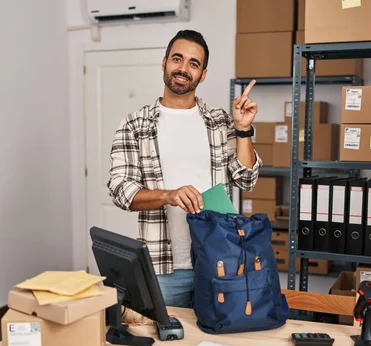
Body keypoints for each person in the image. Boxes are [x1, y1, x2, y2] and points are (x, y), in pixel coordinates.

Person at [107, 30, 262, 308]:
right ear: (164, 62)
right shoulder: (135, 124)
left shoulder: (221, 122)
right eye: (177, 59)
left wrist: (243, 129)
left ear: (203, 74)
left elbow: (247, 179)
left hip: (219, 261)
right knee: (162, 345)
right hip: (163, 267)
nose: (183, 68)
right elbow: (121, 190)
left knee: (219, 342)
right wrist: (168, 195)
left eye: (194, 63)